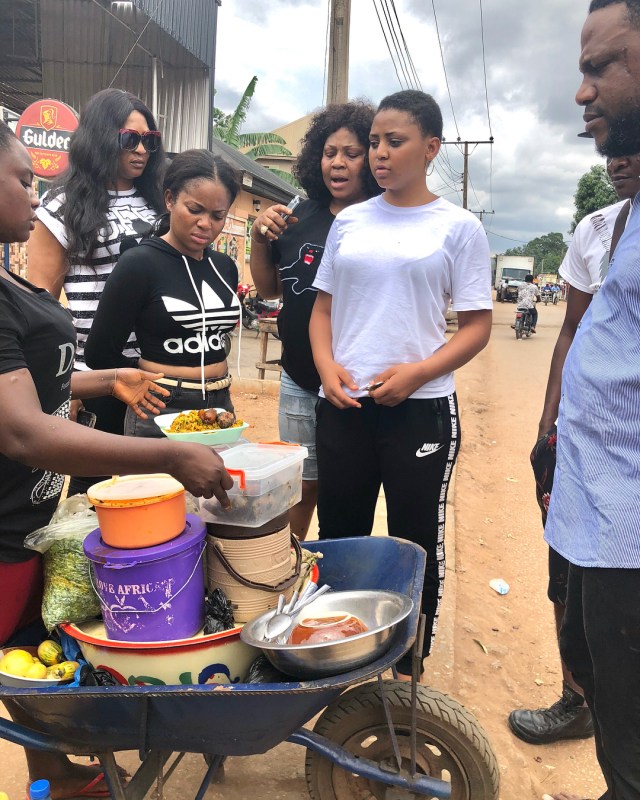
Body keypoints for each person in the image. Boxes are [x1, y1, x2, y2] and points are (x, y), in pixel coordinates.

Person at [0, 121, 232, 799]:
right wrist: (168, 456)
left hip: (27, 518)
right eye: (20, 179)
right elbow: (21, 430)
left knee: (20, 658)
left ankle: (54, 773)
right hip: (4, 526)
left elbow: (31, 380)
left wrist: (107, 382)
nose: (34, 188)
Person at [309, 89, 492, 677]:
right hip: (344, 406)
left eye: (395, 141)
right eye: (375, 143)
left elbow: (477, 327)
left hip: (420, 411)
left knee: (414, 541)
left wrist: (418, 372)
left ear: (431, 148)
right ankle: (341, 657)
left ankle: (408, 668)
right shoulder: (351, 222)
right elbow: (322, 311)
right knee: (340, 537)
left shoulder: (458, 228)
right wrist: (326, 368)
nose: (379, 154)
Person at [508, 153, 640, 746]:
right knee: (566, 577)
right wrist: (547, 426)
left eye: (630, 146)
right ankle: (575, 699)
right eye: (611, 151)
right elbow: (572, 330)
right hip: (580, 443)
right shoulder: (597, 230)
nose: (619, 161)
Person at [544, 1, 640, 797]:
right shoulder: (620, 221)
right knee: (609, 694)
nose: (582, 92)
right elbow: (578, 335)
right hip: (605, 512)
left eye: (601, 65)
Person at [249, 102, 382, 540]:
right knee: (300, 486)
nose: (338, 163)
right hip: (299, 379)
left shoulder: (384, 220)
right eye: (329, 153)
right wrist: (257, 238)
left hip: (356, 384)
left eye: (351, 152)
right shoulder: (296, 216)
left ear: (373, 157)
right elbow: (269, 290)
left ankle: (335, 573)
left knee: (344, 492)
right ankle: (291, 570)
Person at [28, 89, 165, 486]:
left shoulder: (158, 200)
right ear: (102, 138)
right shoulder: (62, 205)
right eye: (130, 139)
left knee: (161, 486)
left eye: (149, 141)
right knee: (98, 492)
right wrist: (69, 385)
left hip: (158, 370)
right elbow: (41, 305)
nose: (141, 150)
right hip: (100, 373)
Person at [85, 149, 242, 437]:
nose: (206, 224)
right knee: (161, 484)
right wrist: (152, 380)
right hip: (161, 404)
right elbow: (99, 353)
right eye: (195, 210)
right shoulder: (140, 263)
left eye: (218, 215)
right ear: (170, 199)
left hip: (220, 405)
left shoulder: (225, 267)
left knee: (214, 483)